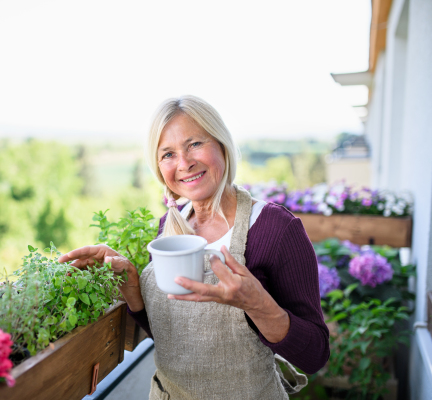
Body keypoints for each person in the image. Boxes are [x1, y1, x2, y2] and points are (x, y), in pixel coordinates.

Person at [58, 95, 329, 399]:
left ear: (222, 145)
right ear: (159, 167)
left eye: (195, 144)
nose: (184, 163)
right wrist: (132, 286)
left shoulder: (275, 229)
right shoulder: (168, 230)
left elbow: (315, 354)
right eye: (168, 154)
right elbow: (176, 336)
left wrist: (257, 304)